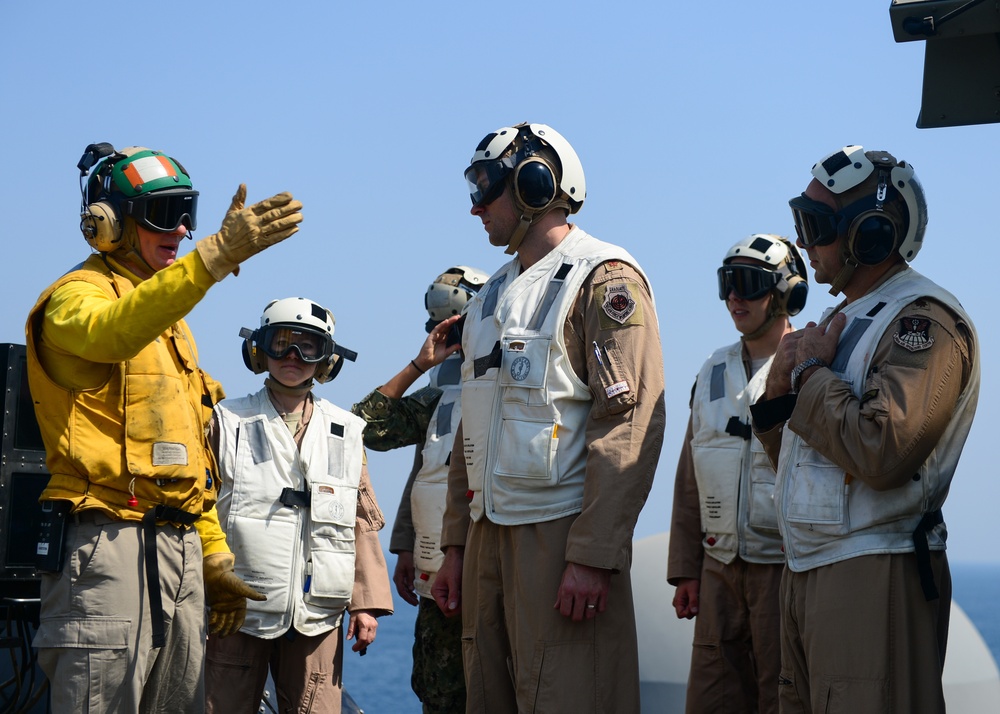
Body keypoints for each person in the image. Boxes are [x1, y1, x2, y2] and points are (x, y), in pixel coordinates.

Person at [25, 143, 302, 712]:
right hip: (107, 544)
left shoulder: (172, 329)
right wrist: (214, 258)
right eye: (161, 212)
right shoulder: (75, 298)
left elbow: (184, 461)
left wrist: (214, 555)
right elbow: (111, 331)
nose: (178, 228)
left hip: (178, 555)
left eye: (188, 212)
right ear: (107, 223)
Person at [431, 122, 666, 712]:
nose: (476, 205)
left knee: (569, 694)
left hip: (559, 534)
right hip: (488, 536)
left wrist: (592, 553)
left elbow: (629, 424)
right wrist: (456, 546)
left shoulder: (604, 279)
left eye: (487, 186)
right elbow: (472, 430)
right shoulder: (489, 297)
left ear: (537, 186)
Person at [749, 145, 980, 714]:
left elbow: (883, 450)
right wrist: (779, 392)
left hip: (874, 574)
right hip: (811, 570)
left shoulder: (920, 320)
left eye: (817, 226)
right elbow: (804, 462)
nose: (803, 242)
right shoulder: (841, 322)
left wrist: (808, 373)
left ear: (870, 235)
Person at [204, 296, 394, 714]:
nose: (293, 356)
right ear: (259, 349)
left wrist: (365, 605)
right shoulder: (225, 421)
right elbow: (199, 506)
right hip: (239, 607)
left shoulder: (346, 431)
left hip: (318, 615)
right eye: (281, 343)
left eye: (308, 346)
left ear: (327, 359)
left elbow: (360, 520)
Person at [668, 234, 809, 714]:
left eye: (748, 284)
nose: (735, 298)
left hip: (785, 573)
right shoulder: (712, 370)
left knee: (782, 696)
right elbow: (692, 472)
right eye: (727, 284)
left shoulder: (811, 365)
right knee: (712, 697)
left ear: (785, 292)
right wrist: (686, 570)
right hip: (718, 573)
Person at [352, 265, 489, 714]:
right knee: (438, 691)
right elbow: (368, 429)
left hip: (488, 577)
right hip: (434, 578)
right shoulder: (437, 400)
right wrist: (406, 547)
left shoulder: (506, 393)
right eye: (440, 329)